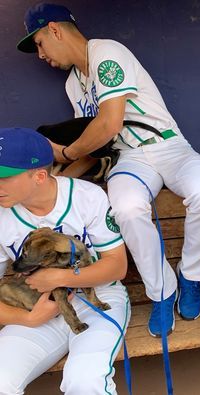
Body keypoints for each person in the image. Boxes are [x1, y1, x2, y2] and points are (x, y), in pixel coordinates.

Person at [17, 3, 200, 336]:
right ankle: (162, 291)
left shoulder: (106, 51)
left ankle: (192, 277)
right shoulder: (74, 85)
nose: (40, 54)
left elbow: (109, 123)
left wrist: (65, 153)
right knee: (126, 207)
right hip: (129, 158)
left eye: (39, 43)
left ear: (55, 30)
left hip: (169, 146)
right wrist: (55, 181)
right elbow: (95, 143)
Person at [0, 127, 129, 394]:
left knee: (85, 381)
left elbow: (117, 265)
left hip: (96, 298)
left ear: (38, 176)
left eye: (4, 177)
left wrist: (59, 277)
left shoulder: (87, 196)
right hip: (35, 308)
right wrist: (27, 319)